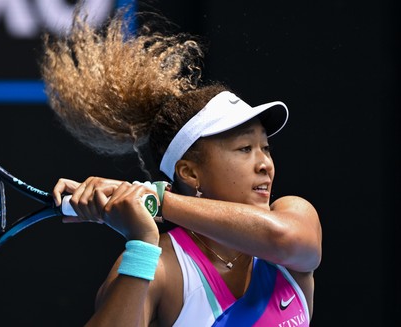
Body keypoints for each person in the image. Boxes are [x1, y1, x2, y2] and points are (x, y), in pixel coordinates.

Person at [41, 6, 322, 326]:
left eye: (266, 149)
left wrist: (158, 200)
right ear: (190, 172)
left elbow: (288, 241)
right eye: (245, 149)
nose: (265, 165)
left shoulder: (293, 215)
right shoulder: (162, 266)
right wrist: (141, 246)